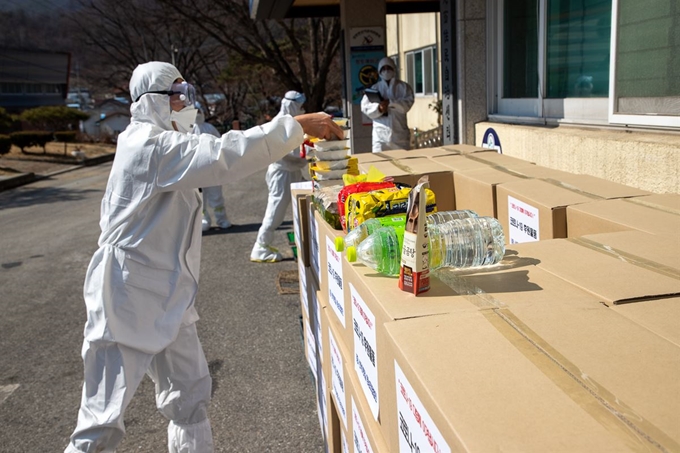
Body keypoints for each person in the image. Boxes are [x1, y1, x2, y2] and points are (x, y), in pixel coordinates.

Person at [64, 62, 343, 453]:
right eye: (176, 94)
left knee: (190, 395)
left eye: (186, 92)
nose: (185, 101)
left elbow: (215, 153)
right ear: (152, 101)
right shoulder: (148, 144)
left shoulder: (166, 141)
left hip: (169, 291)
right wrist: (294, 126)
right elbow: (223, 156)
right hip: (125, 294)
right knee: (102, 418)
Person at [250, 90, 309, 263]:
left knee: (305, 201)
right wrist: (307, 159)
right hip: (282, 173)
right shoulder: (279, 124)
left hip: (292, 171)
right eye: (300, 106)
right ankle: (261, 247)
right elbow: (286, 153)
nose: (303, 109)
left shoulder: (290, 122)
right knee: (276, 209)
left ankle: (304, 240)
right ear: (292, 105)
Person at [360, 56, 415, 153]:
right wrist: (379, 108)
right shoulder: (374, 88)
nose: (386, 71)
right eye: (383, 68)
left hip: (399, 136)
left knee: (403, 164)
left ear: (394, 69)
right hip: (380, 139)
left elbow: (407, 104)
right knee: (380, 166)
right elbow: (365, 107)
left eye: (388, 68)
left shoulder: (404, 87)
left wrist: (391, 103)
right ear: (379, 71)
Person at [193, 108, 232, 231]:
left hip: (212, 168)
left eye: (199, 110)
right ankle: (204, 220)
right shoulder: (188, 128)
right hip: (196, 170)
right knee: (200, 198)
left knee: (216, 195)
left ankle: (222, 219)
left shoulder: (209, 128)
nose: (197, 113)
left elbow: (219, 143)